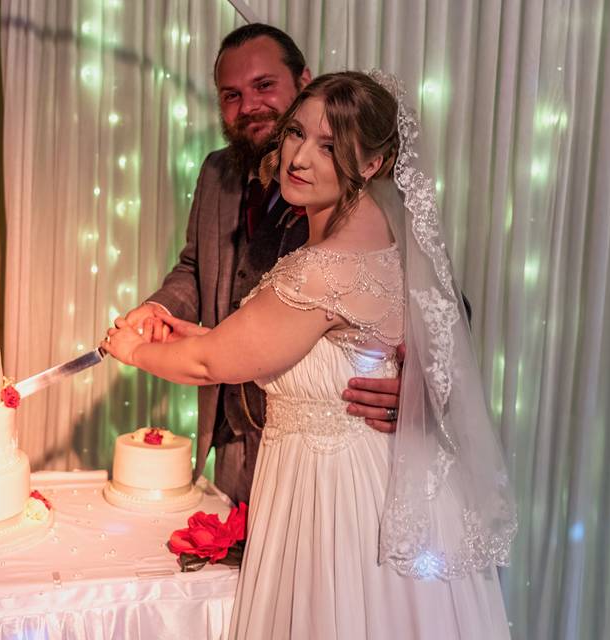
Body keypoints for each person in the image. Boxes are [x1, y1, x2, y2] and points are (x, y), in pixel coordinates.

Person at [104, 71, 515, 638]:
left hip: (338, 500)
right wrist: (183, 329)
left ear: (372, 164)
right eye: (296, 134)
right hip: (374, 483)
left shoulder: (320, 268)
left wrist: (129, 348)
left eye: (329, 147)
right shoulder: (380, 236)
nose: (299, 156)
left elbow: (212, 366)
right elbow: (281, 346)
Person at [122, 24, 401, 505]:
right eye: (231, 94)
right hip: (235, 436)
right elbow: (194, 264)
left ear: (303, 81)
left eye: (264, 86)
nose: (248, 104)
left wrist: (412, 389)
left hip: (329, 455)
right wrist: (158, 308)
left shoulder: (369, 200)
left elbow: (434, 302)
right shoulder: (215, 172)